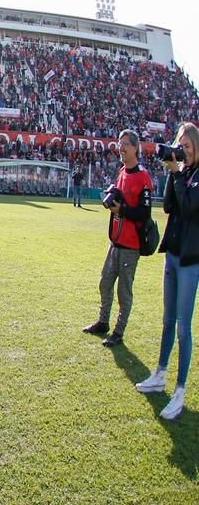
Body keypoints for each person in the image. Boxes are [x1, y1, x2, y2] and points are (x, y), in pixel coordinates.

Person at [135, 122, 199, 420]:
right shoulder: (183, 173)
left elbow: (189, 209)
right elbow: (170, 207)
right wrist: (172, 173)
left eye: (187, 148)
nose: (182, 152)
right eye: (180, 146)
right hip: (172, 254)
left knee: (183, 327)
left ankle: (180, 390)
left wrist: (177, 173)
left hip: (190, 259)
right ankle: (159, 375)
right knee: (167, 320)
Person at [82, 129, 152, 347]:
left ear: (135, 148)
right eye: (119, 144)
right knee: (105, 283)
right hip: (115, 242)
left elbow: (144, 214)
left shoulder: (142, 176)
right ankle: (103, 322)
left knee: (124, 292)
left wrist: (122, 210)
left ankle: (118, 332)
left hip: (130, 246)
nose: (121, 148)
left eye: (125, 144)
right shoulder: (123, 171)